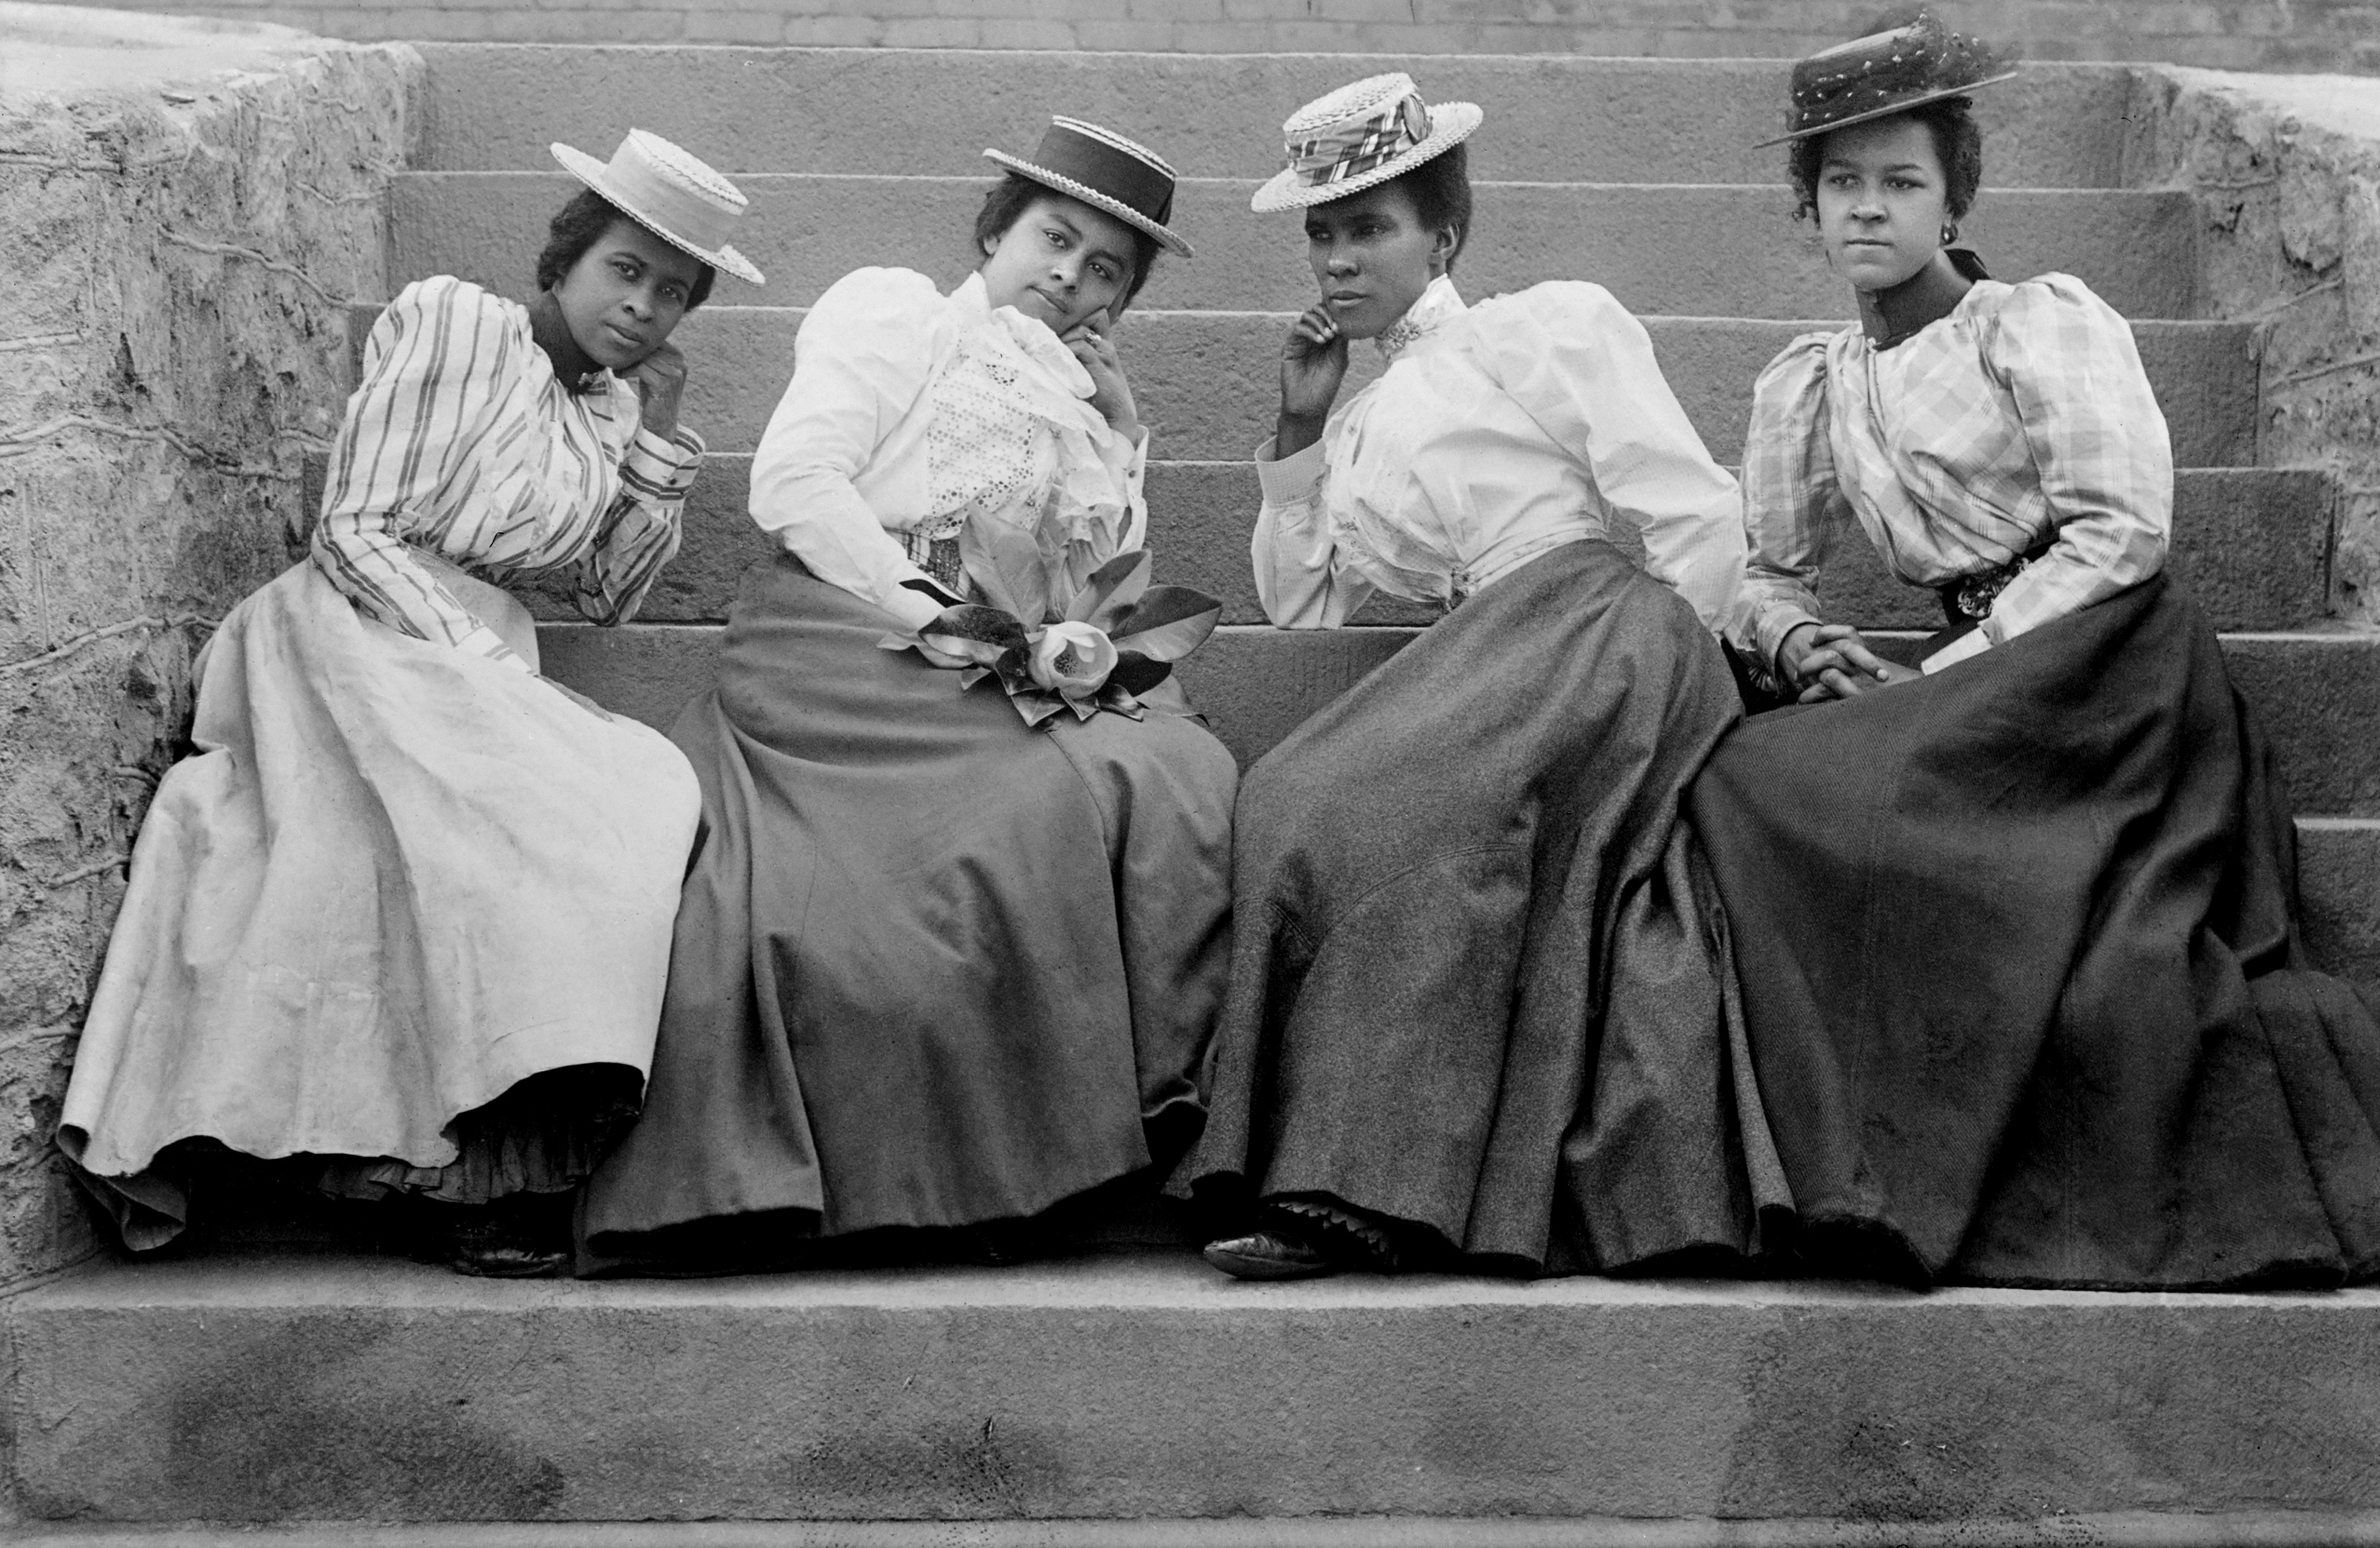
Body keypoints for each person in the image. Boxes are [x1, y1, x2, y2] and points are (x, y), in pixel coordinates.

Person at [1691, 9, 2380, 1288]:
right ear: (1807, 207)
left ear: (1954, 197)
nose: (1868, 208)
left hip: (2104, 657)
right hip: (1975, 665)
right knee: (1744, 777)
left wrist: (1957, 670)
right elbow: (1765, 573)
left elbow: (2121, 529)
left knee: (2077, 936)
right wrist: (1802, 637)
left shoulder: (2032, 324)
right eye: (1841, 184)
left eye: (1902, 182)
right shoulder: (1807, 385)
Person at [57, 129, 761, 1276]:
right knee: (526, 813)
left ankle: (482, 1153)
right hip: (352, 624)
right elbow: (352, 528)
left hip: (474, 656)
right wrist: (473, 664)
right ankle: (435, 1177)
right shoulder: (457, 322)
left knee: (646, 789)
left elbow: (605, 596)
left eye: (673, 293)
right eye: (626, 270)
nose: (643, 307)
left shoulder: (607, 413)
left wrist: (659, 445)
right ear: (567, 258)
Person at [576, 118, 1236, 1274]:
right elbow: (796, 482)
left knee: (1179, 768)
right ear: (996, 232)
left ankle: (1138, 1121)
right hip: (851, 635)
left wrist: (1124, 435)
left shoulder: (1076, 398)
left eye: (1104, 271)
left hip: (998, 656)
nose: (1068, 277)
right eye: (1053, 239)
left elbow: (1102, 573)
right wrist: (930, 613)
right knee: (986, 833)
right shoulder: (900, 318)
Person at [1179, 74, 1782, 1281]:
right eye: (1323, 234)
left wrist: (1720, 663)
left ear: (1444, 237)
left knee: (1394, 816)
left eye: (1370, 229)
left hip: (1591, 626)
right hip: (1480, 653)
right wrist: (1299, 432)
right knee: (1293, 797)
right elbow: (1304, 605)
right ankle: (1334, 1168)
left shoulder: (1537, 329)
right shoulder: (1359, 422)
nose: (1338, 260)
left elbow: (1689, 502)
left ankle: (1361, 1190)